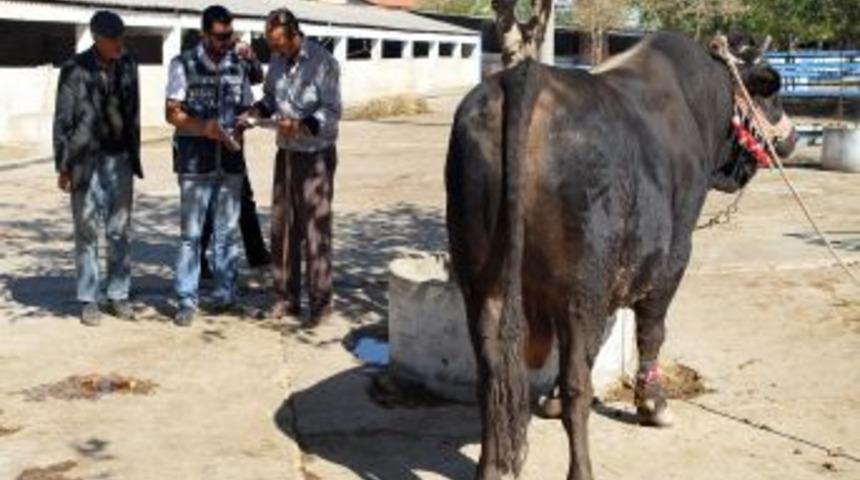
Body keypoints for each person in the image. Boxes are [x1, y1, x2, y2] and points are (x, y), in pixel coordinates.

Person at [248, 8, 342, 327]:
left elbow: (332, 112)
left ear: (294, 35)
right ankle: (286, 298)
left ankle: (320, 304)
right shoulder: (277, 61)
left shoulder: (323, 63)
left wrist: (301, 125)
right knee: (283, 228)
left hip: (315, 156)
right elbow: (270, 98)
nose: (274, 49)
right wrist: (256, 111)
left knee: (315, 230)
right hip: (285, 153)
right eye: (270, 43)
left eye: (278, 43)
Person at [165, 5, 254, 326]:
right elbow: (172, 113)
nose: (225, 42)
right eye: (219, 36)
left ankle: (226, 295)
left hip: (230, 162)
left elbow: (246, 105)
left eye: (229, 35)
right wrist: (203, 127)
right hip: (194, 163)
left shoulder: (237, 64)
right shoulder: (183, 64)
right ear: (204, 34)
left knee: (227, 234)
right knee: (191, 236)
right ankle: (186, 300)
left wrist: (243, 124)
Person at [53, 10, 142, 326]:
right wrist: (63, 165)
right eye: (113, 39)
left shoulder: (129, 65)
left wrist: (133, 154)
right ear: (96, 39)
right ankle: (89, 299)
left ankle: (118, 294)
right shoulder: (74, 69)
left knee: (119, 230)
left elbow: (133, 113)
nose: (119, 44)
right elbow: (63, 119)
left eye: (122, 38)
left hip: (120, 160)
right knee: (87, 230)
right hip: (85, 160)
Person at [199, 39, 269, 279]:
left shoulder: (238, 61)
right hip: (207, 145)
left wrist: (251, 56)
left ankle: (256, 252)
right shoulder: (199, 64)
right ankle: (199, 258)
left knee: (243, 199)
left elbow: (257, 77)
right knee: (210, 202)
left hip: (233, 144)